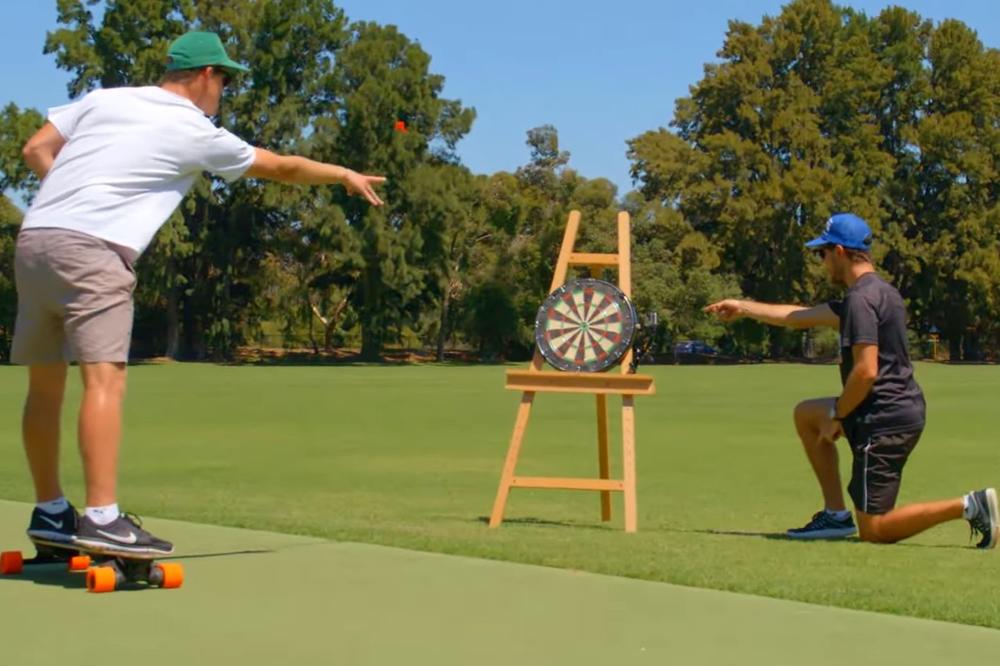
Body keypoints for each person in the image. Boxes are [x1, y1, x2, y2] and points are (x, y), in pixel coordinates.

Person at [14, 31, 385, 555]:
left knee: (44, 386)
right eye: (225, 79)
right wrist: (342, 173)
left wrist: (72, 203)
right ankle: (101, 517)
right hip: (93, 252)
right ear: (207, 75)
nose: (225, 91)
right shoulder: (193, 129)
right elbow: (278, 166)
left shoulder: (105, 99)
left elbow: (36, 148)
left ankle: (51, 512)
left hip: (36, 241)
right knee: (104, 382)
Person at [704, 213, 998, 548]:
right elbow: (796, 317)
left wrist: (840, 416)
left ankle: (970, 506)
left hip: (885, 419)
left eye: (822, 253)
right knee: (808, 414)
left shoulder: (860, 300)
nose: (822, 261)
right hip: (883, 408)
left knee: (875, 530)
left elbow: (866, 371)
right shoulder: (877, 293)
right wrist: (742, 307)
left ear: (840, 251)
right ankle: (835, 515)